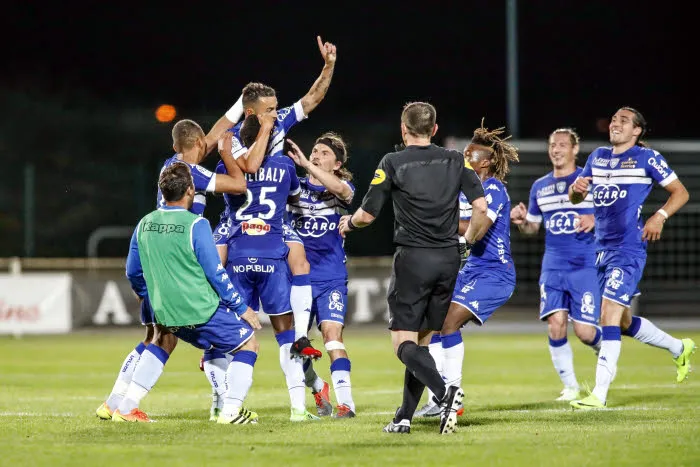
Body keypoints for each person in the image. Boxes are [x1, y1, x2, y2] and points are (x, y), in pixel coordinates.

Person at [338, 102, 488, 435]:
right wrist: (467, 240)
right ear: (434, 129)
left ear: (403, 129)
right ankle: (404, 416)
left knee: (402, 345)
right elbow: (481, 207)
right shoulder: (454, 159)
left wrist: (348, 223)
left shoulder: (392, 162)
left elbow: (367, 215)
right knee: (420, 344)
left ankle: (445, 393)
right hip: (449, 257)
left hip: (414, 260)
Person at [95, 116, 248, 421]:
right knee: (206, 339)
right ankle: (225, 406)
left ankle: (114, 403)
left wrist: (238, 109)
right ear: (200, 143)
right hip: (181, 260)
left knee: (156, 336)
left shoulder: (171, 167)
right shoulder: (192, 176)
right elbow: (239, 184)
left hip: (156, 266)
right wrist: (229, 152)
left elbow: (207, 136)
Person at [214, 36, 337, 360]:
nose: (275, 112)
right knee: (214, 266)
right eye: (269, 109)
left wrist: (329, 66)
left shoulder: (279, 119)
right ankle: (215, 336)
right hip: (238, 215)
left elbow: (311, 99)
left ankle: (299, 337)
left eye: (276, 106)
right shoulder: (237, 137)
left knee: (300, 260)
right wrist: (267, 130)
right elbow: (249, 166)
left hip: (273, 217)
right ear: (251, 112)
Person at [568, 107, 694, 410]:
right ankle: (680, 348)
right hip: (601, 249)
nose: (615, 123)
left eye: (623, 121)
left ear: (637, 131)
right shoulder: (597, 156)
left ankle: (599, 394)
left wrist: (659, 216)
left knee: (608, 316)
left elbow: (680, 192)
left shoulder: (646, 158)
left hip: (628, 249)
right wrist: (576, 189)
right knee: (622, 322)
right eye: (612, 119)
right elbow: (577, 197)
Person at [116, 162, 262, 423]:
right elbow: (215, 273)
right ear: (190, 191)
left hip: (165, 309)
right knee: (247, 343)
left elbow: (132, 271)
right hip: (200, 308)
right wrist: (242, 308)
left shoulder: (145, 223)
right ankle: (230, 411)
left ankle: (126, 407)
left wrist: (147, 297)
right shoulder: (197, 224)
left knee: (163, 338)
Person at [218, 114, 319, 422]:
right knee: (285, 334)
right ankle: (298, 409)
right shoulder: (286, 167)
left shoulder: (227, 167)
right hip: (272, 255)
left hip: (238, 254)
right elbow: (292, 198)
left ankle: (227, 406)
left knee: (239, 338)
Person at [510, 128, 602, 402]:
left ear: (575, 149)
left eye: (563, 144)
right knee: (556, 324)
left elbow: (615, 214)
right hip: (552, 266)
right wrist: (523, 220)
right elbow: (532, 230)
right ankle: (571, 387)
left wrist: (596, 220)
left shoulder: (590, 180)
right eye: (553, 145)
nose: (557, 149)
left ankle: (606, 348)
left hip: (585, 265)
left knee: (585, 333)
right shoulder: (540, 186)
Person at [285, 134, 356, 418]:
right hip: (297, 279)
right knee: (294, 347)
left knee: (332, 336)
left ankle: (346, 404)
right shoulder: (294, 188)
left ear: (337, 164)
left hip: (330, 278)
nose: (315, 155)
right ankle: (317, 387)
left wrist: (305, 163)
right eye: (314, 150)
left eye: (324, 153)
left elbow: (344, 191)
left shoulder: (340, 190)